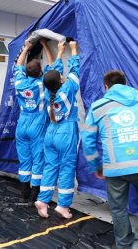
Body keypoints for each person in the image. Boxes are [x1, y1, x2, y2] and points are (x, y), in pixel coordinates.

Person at [81, 70, 138, 249]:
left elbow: (87, 140)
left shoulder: (98, 107)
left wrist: (96, 166)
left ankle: (123, 245)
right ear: (125, 83)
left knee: (118, 208)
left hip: (114, 167)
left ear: (106, 87)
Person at [35, 41, 80, 219]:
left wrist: (60, 52)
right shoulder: (67, 89)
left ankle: (43, 200)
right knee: (66, 169)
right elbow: (75, 70)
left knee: (50, 167)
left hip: (51, 133)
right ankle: (62, 206)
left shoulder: (48, 92)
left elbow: (51, 74)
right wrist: (73, 48)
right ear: (60, 80)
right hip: (66, 133)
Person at [14, 38, 59, 202]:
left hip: (22, 125)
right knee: (38, 159)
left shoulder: (19, 82)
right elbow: (54, 68)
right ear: (40, 73)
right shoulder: (42, 83)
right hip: (37, 125)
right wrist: (46, 45)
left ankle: (24, 191)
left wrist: (25, 49)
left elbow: (18, 66)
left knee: (24, 158)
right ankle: (34, 194)